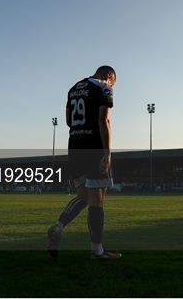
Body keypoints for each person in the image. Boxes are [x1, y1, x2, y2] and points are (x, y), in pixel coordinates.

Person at [47, 65, 120, 259]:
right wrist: (107, 152)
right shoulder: (104, 87)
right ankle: (97, 251)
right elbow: (104, 120)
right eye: (113, 82)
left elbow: (68, 121)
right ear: (109, 76)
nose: (112, 85)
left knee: (84, 197)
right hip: (94, 148)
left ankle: (58, 226)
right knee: (97, 200)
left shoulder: (73, 88)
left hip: (75, 146)